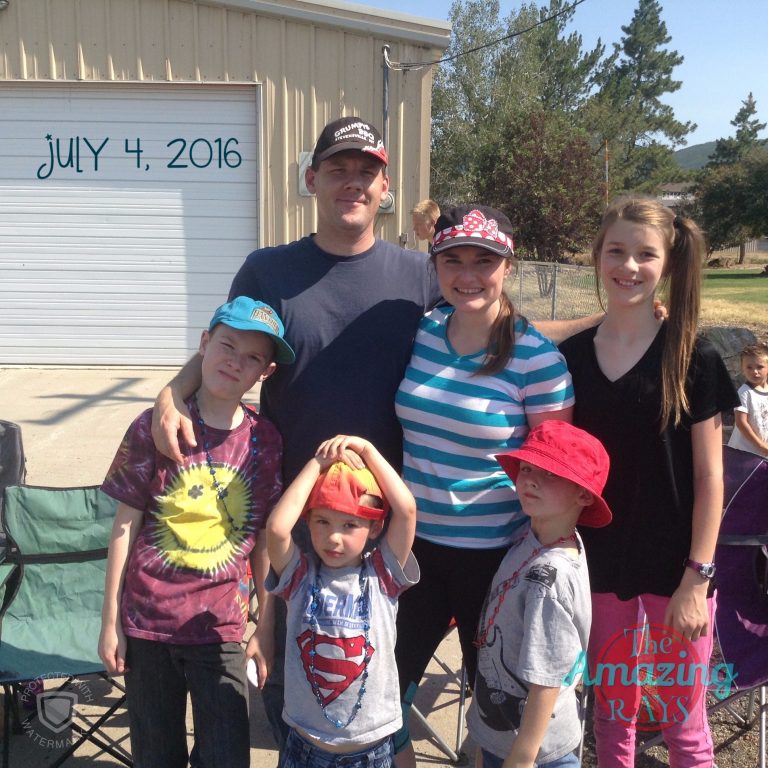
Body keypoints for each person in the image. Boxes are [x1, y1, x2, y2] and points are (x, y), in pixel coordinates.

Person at [150, 115, 442, 751]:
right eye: (337, 169)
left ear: (384, 186)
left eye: (366, 172)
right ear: (312, 180)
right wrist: (173, 391)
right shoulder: (268, 270)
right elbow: (223, 345)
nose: (352, 183)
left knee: (381, 678)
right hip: (290, 509)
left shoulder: (419, 276)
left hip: (381, 516)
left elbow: (493, 328)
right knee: (290, 672)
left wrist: (604, 322)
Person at [558, 198, 739, 768]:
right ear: (597, 257)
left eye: (645, 254)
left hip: (676, 571)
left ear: (668, 265)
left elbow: (712, 478)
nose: (628, 266)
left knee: (684, 724)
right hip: (600, 564)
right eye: (617, 250)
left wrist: (697, 577)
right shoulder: (570, 358)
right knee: (612, 715)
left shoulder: (694, 357)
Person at [393, 205, 575, 766]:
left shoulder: (537, 360)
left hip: (495, 560)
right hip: (410, 552)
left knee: (497, 707)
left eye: (484, 260)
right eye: (453, 259)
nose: (467, 274)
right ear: (435, 264)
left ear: (508, 266)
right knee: (384, 689)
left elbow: (556, 468)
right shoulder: (419, 331)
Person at [98, 296, 295, 768]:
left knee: (227, 755)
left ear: (264, 373)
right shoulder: (153, 428)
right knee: (156, 755)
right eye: (227, 345)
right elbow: (125, 524)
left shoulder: (264, 441)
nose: (236, 362)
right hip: (148, 626)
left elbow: (264, 541)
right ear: (204, 344)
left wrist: (264, 629)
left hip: (221, 627)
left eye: (252, 358)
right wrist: (109, 622)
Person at [266, 435, 418, 767]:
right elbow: (277, 529)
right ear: (307, 520)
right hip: (305, 747)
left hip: (371, 751)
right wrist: (316, 463)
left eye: (350, 524)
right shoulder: (298, 578)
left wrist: (368, 450)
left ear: (375, 527)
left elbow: (406, 510)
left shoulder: (383, 576)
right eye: (322, 520)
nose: (334, 537)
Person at [468, 420, 612, 768]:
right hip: (501, 737)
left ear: (583, 495)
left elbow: (547, 680)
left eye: (550, 473)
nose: (530, 478)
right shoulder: (534, 540)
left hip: (536, 752)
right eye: (528, 468)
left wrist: (522, 757)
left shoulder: (551, 578)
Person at [727, 341, 768, 457]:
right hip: (743, 453)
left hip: (762, 454)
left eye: (760, 367)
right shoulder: (745, 392)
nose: (754, 372)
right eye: (749, 367)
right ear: (742, 369)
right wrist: (760, 445)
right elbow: (741, 423)